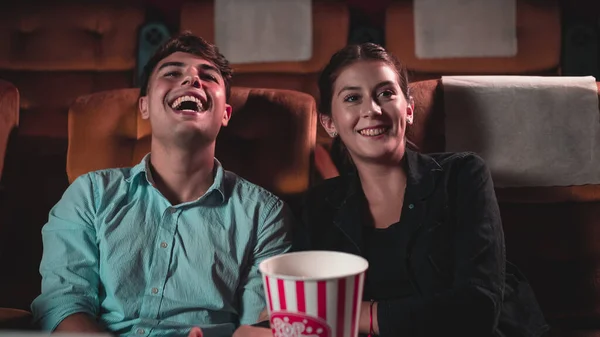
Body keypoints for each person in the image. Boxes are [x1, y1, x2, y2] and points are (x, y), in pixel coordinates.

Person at [234, 43, 549, 337]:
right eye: (352, 98)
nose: (372, 110)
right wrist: (260, 327)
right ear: (330, 124)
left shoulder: (462, 174)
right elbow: (305, 306)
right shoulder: (319, 207)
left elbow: (478, 306)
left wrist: (361, 315)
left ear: (409, 109)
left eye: (385, 93)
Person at [31, 32, 292, 337]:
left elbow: (257, 323)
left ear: (225, 114)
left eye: (207, 76)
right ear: (144, 106)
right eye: (172, 73)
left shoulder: (265, 215)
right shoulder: (89, 194)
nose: (192, 81)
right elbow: (63, 305)